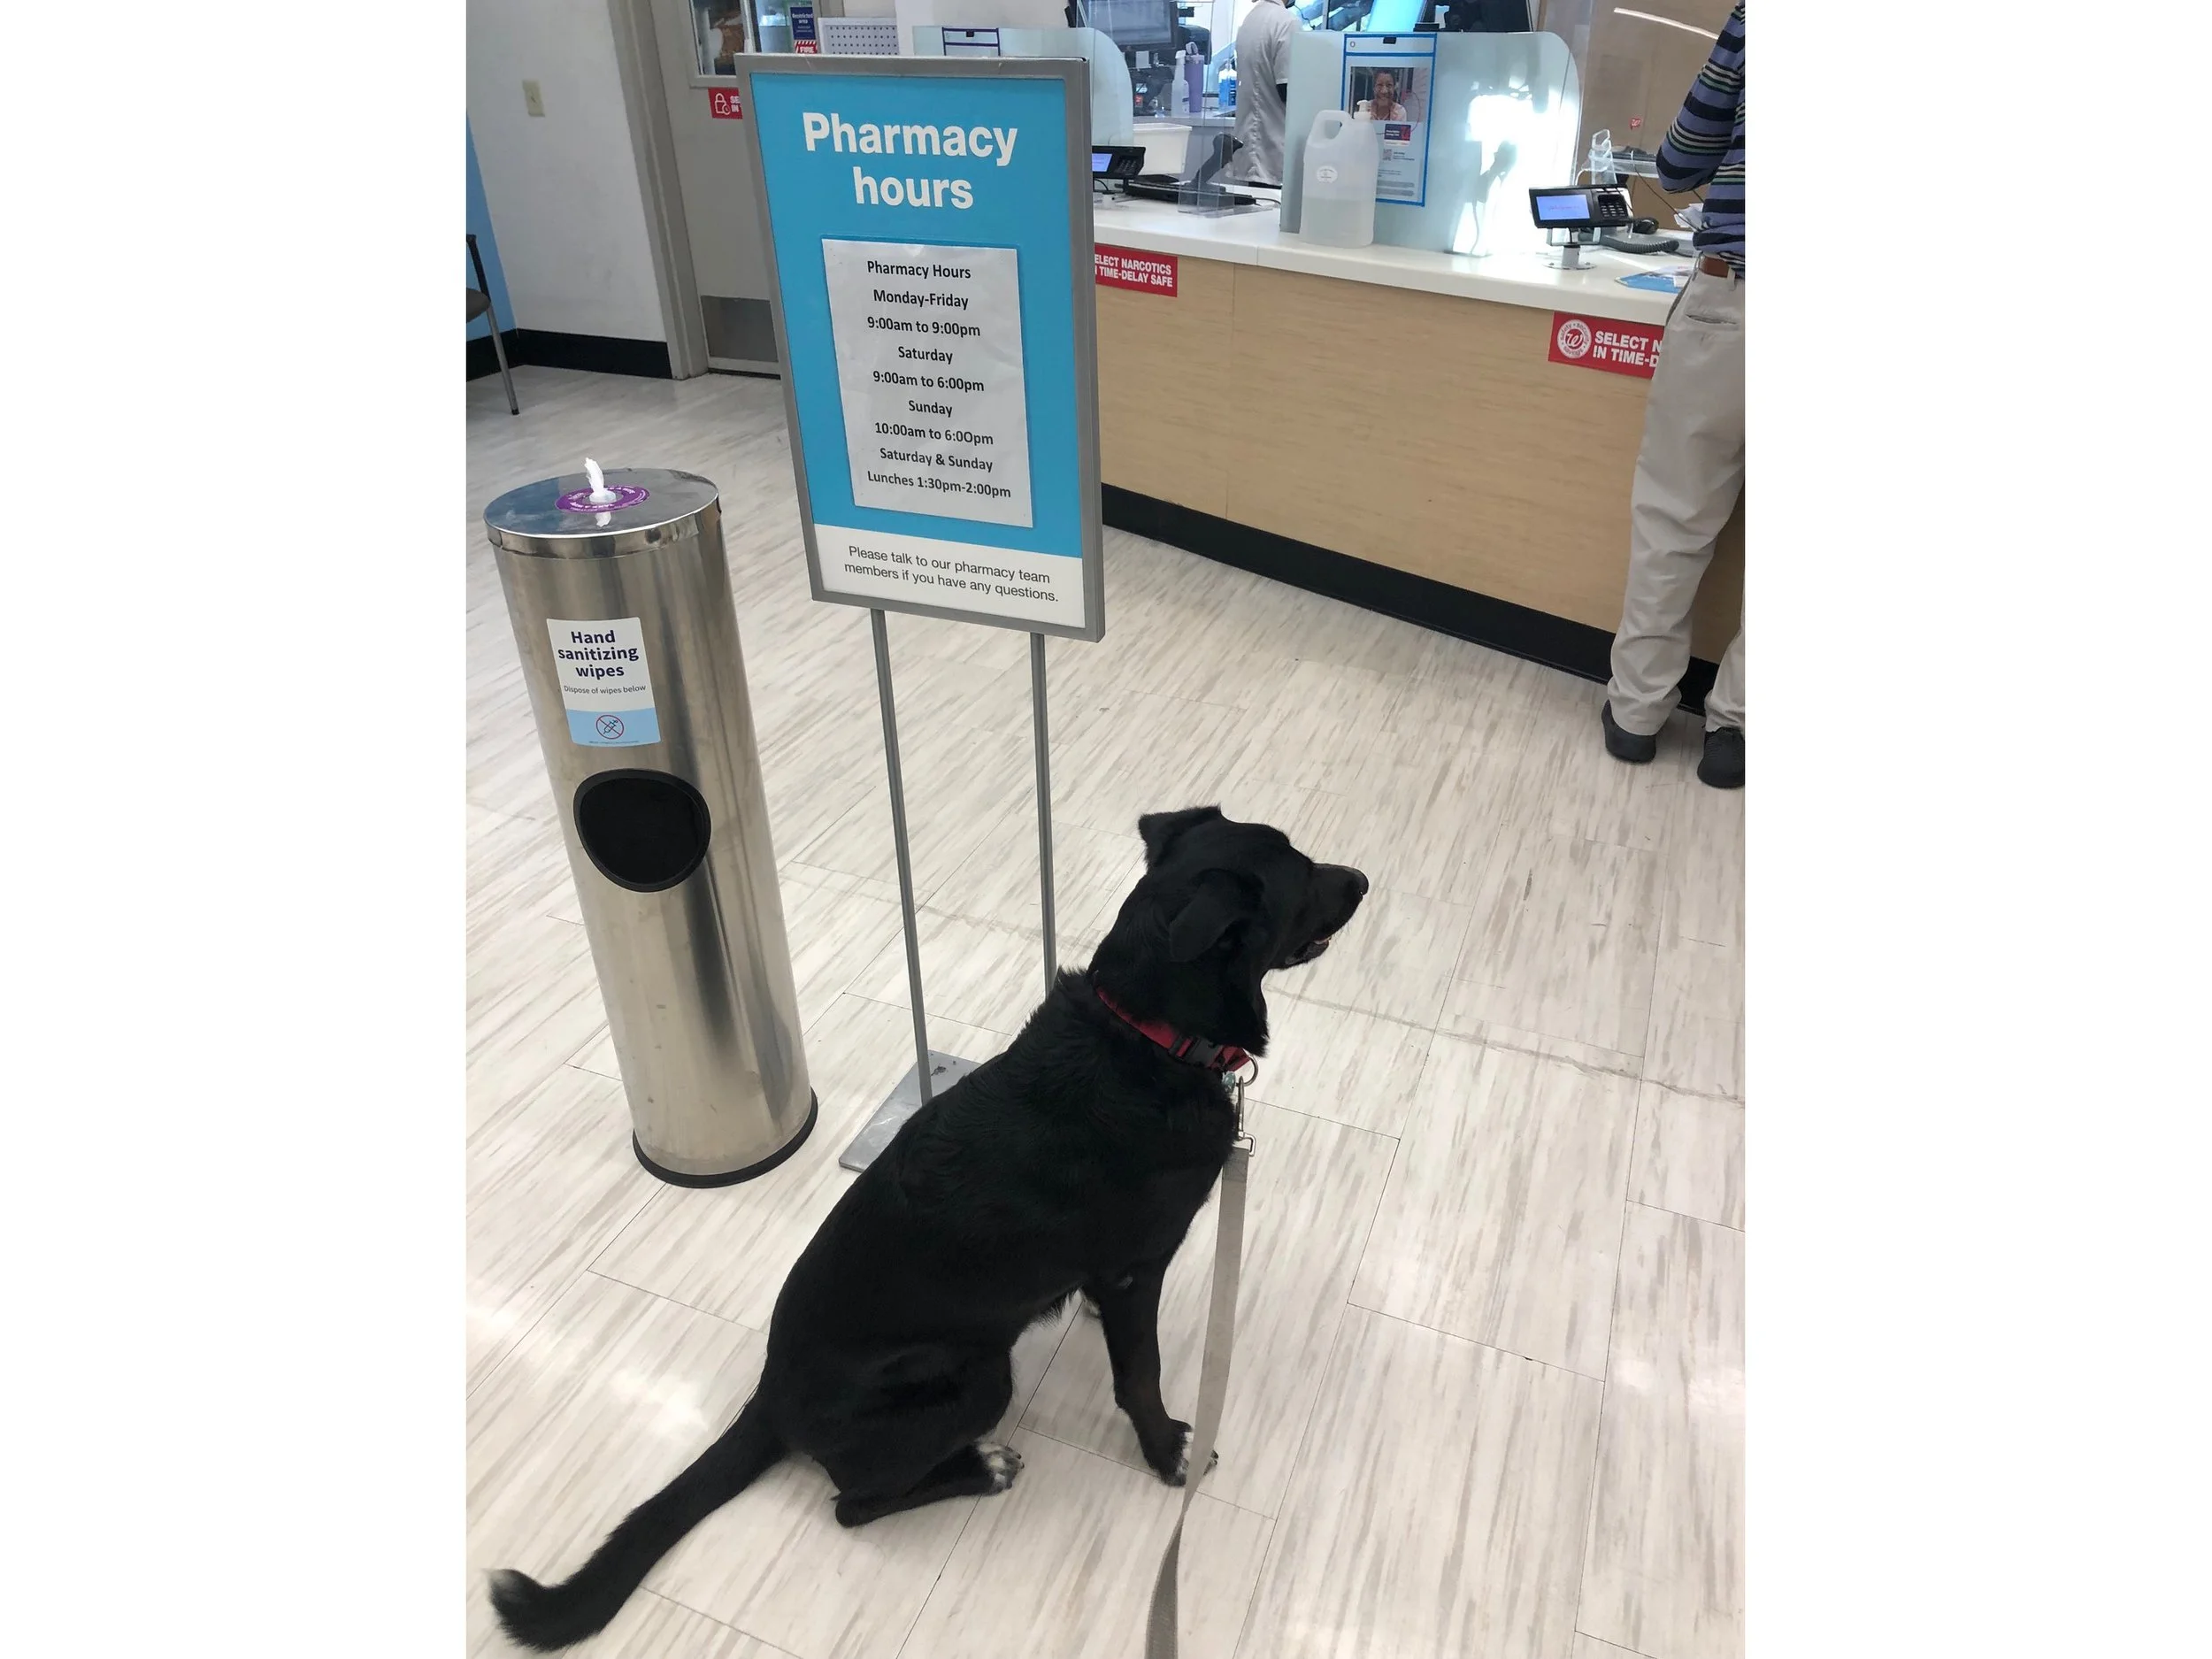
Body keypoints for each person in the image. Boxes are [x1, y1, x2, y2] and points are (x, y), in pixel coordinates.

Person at [1601, 1, 1745, 789]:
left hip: (1734, 302)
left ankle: (1637, 716)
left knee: (1674, 520)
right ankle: (1738, 736)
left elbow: (1680, 160)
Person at [1231, 0, 1298, 187]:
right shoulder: (1287, 22)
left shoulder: (1250, 19)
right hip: (1274, 147)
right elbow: (1287, 90)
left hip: (1253, 144)